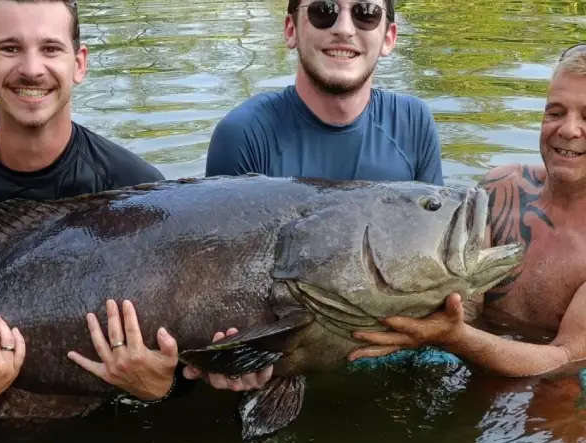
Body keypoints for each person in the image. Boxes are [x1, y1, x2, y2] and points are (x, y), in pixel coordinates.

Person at [0, 0, 271, 417]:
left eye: (51, 49)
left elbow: (184, 366)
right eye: (10, 48)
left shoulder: (143, 192)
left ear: (79, 63)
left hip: (113, 441)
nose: (32, 69)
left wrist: (163, 387)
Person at [348, 46, 586, 379]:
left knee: (558, 409)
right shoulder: (500, 187)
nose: (569, 130)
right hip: (466, 361)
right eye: (556, 112)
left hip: (547, 388)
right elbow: (467, 305)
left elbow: (564, 359)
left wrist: (458, 338)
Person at [204, 0, 443, 184]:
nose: (344, 29)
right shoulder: (244, 136)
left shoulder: (412, 123)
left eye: (366, 12)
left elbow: (440, 229)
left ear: (389, 38)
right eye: (323, 10)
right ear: (291, 29)